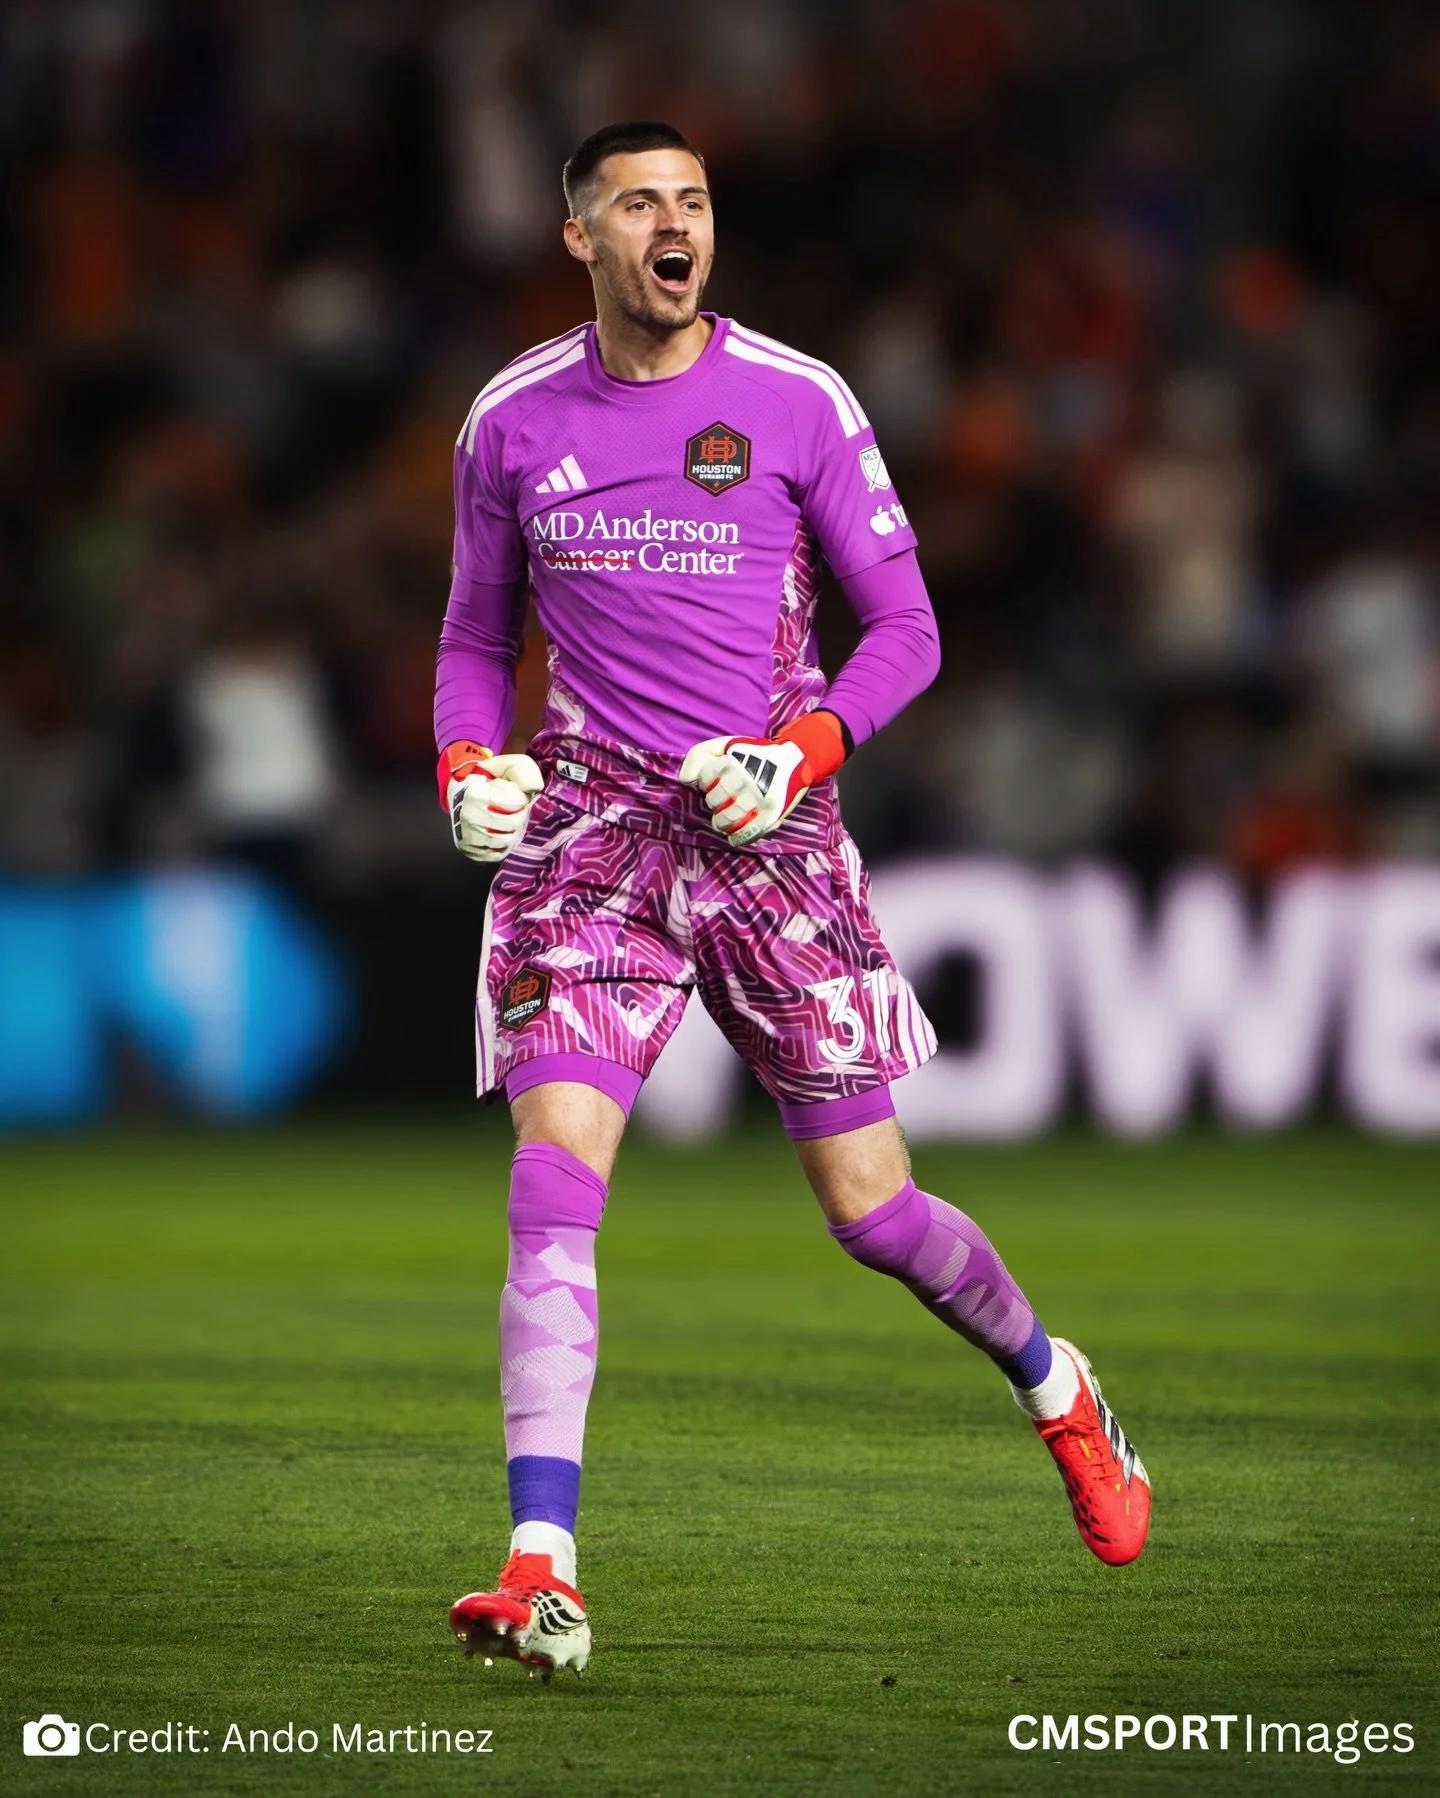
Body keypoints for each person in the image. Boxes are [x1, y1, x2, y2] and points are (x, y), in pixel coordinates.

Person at [437, 122, 1150, 1678]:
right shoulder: (509, 421)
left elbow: (907, 624)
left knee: (875, 1214)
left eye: (692, 200)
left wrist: (801, 746)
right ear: (582, 238)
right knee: (555, 1174)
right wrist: (464, 763)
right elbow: (472, 636)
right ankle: (541, 1563)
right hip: (593, 835)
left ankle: (1057, 1384)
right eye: (640, 203)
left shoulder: (797, 399)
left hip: (772, 831)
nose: (674, 224)